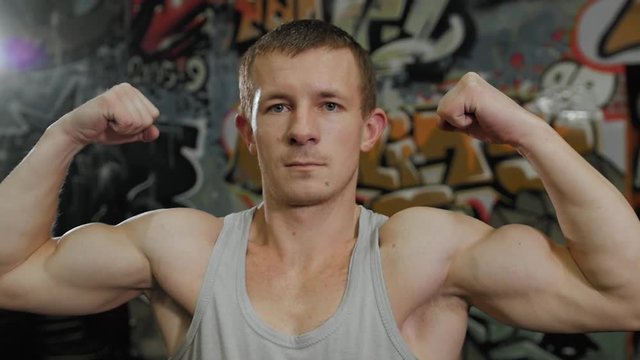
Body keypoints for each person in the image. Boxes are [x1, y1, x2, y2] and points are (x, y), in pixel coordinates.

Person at [1, 19, 639, 360]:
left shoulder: (421, 256)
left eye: (329, 105)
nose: (303, 131)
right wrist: (65, 133)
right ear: (248, 132)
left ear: (370, 129)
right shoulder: (183, 252)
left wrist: (531, 133)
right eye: (277, 107)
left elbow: (627, 296)